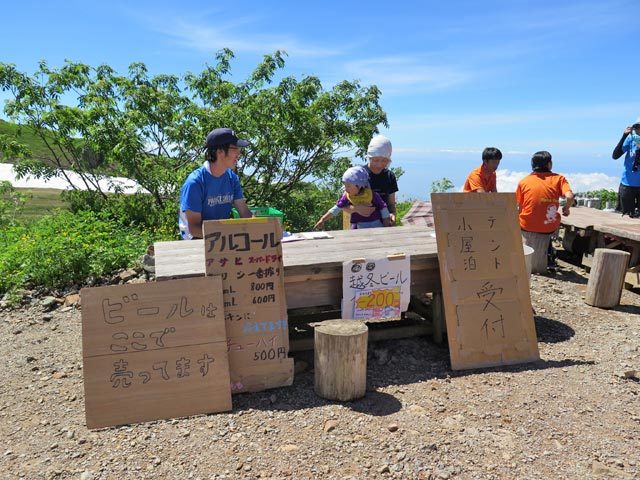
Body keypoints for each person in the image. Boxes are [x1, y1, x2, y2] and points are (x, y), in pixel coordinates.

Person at [179, 128, 253, 239]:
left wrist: (266, 228)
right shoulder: (195, 182)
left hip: (221, 236)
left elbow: (245, 213)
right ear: (219, 152)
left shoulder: (232, 178)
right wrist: (229, 235)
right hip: (197, 239)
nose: (239, 153)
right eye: (235, 148)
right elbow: (194, 229)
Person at [516, 151, 574, 272]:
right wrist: (566, 208)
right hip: (549, 226)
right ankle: (549, 257)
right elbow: (569, 196)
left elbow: (520, 207)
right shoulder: (559, 179)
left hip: (527, 225)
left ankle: (544, 256)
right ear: (549, 164)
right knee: (548, 227)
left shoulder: (524, 181)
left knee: (527, 223)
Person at [314, 166, 391, 230]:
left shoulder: (372, 195)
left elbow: (383, 207)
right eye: (345, 185)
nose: (346, 189)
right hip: (358, 226)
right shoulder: (347, 196)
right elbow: (336, 209)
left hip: (376, 225)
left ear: (359, 185)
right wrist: (323, 219)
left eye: (349, 186)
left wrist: (386, 222)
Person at [345, 135, 399, 224]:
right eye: (376, 160)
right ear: (369, 157)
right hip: (360, 226)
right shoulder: (358, 174)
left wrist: (392, 214)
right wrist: (357, 209)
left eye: (384, 160)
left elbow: (391, 204)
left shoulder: (390, 176)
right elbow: (343, 205)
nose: (379, 164)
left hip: (384, 225)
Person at [612, 117, 640, 217]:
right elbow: (615, 155)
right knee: (626, 215)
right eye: (637, 127)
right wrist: (624, 136)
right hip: (627, 184)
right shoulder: (631, 139)